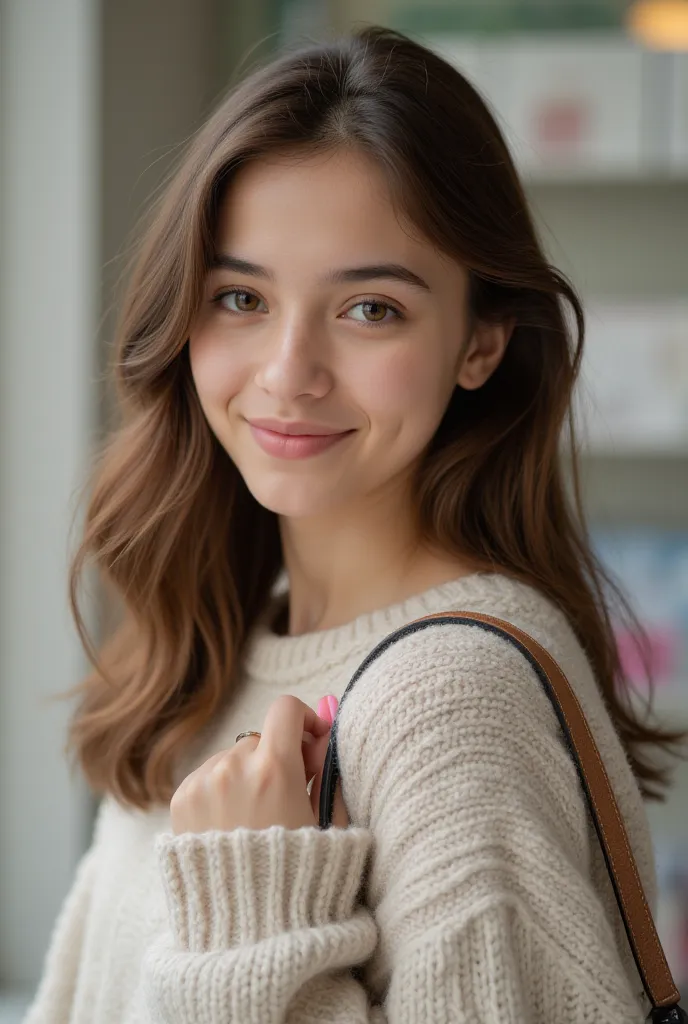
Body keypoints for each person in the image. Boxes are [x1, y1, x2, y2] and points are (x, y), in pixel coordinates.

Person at [24, 24, 687, 1024]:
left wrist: (253, 909)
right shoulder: (231, 635)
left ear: (480, 344)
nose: (289, 373)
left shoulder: (451, 707)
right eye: (239, 296)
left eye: (370, 308)